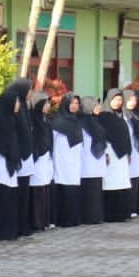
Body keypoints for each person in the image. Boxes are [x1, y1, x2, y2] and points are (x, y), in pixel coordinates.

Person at [0, 81, 28, 241]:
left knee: (11, 197)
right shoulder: (0, 120)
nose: (18, 104)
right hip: (1, 165)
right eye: (16, 101)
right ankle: (1, 232)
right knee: (2, 198)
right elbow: (0, 144)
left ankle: (10, 231)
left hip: (10, 164)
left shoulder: (11, 119)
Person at [49, 93, 85, 228]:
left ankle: (73, 218)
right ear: (65, 104)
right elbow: (52, 141)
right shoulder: (57, 121)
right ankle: (63, 219)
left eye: (76, 103)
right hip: (61, 160)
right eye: (71, 103)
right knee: (63, 187)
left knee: (73, 188)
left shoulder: (77, 121)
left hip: (74, 160)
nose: (74, 106)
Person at [99, 90, 135, 223]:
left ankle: (122, 213)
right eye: (115, 100)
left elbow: (126, 136)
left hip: (122, 155)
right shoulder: (103, 116)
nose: (118, 102)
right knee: (111, 183)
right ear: (109, 100)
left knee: (122, 182)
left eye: (120, 100)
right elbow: (101, 136)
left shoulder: (121, 116)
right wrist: (104, 153)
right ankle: (111, 214)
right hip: (110, 152)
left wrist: (128, 152)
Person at [78, 97, 108, 225]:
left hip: (96, 161)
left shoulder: (96, 121)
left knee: (96, 189)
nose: (99, 107)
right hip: (87, 161)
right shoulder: (82, 122)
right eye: (96, 105)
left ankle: (96, 216)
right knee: (89, 190)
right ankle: (88, 217)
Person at [27, 92, 54, 231]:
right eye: (45, 103)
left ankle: (44, 220)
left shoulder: (46, 120)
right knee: (37, 190)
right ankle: (37, 222)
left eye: (49, 103)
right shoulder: (32, 120)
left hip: (46, 158)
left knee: (44, 189)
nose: (48, 106)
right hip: (37, 158)